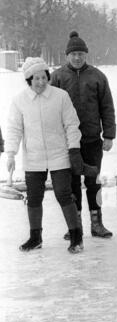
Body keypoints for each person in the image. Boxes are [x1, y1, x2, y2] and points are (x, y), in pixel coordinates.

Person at [6, 57, 86, 253]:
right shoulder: (19, 101)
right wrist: (10, 153)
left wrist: (73, 149)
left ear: (48, 77)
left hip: (59, 155)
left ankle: (76, 236)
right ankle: (35, 237)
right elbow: (14, 129)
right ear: (28, 80)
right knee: (34, 198)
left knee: (63, 194)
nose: (41, 82)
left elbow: (72, 125)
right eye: (36, 79)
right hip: (34, 157)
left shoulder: (61, 97)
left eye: (43, 77)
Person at [51, 31, 116, 240]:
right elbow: (50, 109)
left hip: (91, 139)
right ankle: (75, 224)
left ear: (86, 55)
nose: (77, 58)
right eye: (73, 54)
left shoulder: (97, 76)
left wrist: (109, 135)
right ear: (67, 56)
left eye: (80, 53)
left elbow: (107, 107)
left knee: (93, 181)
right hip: (67, 142)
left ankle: (97, 224)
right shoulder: (58, 77)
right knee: (71, 183)